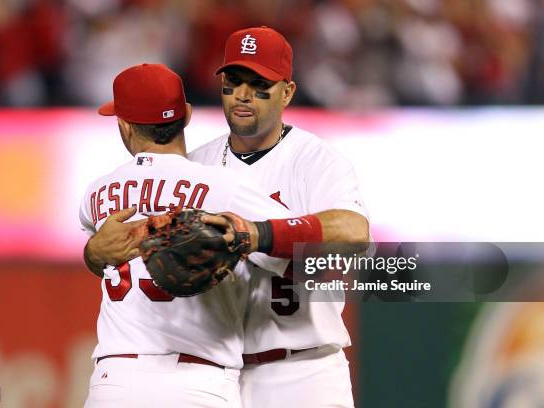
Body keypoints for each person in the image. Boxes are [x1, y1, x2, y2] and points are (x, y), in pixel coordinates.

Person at [84, 27, 370, 408]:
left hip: (303, 366)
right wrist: (94, 253)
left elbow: (354, 232)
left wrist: (258, 233)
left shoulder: (317, 161)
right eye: (233, 82)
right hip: (220, 375)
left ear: (287, 92)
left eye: (259, 83)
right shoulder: (195, 167)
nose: (243, 94)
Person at [79, 63, 293, 408]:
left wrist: (92, 253)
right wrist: (249, 238)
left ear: (124, 126)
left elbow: (102, 260)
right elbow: (306, 248)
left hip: (114, 381)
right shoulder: (224, 186)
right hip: (199, 381)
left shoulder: (97, 194)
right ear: (187, 115)